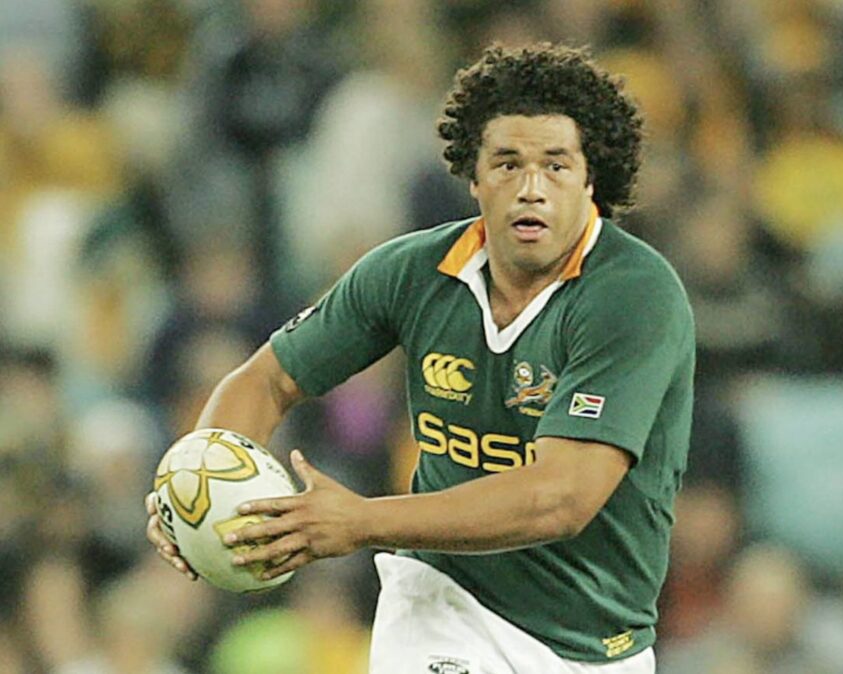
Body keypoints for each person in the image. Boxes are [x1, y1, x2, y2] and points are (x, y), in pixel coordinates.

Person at [146, 42, 695, 673]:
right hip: (443, 605)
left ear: (590, 178)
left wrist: (363, 521)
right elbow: (265, 381)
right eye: (507, 164)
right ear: (473, 175)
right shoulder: (410, 271)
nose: (531, 189)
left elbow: (562, 497)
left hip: (597, 645)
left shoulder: (632, 295)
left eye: (556, 166)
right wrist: (198, 487)